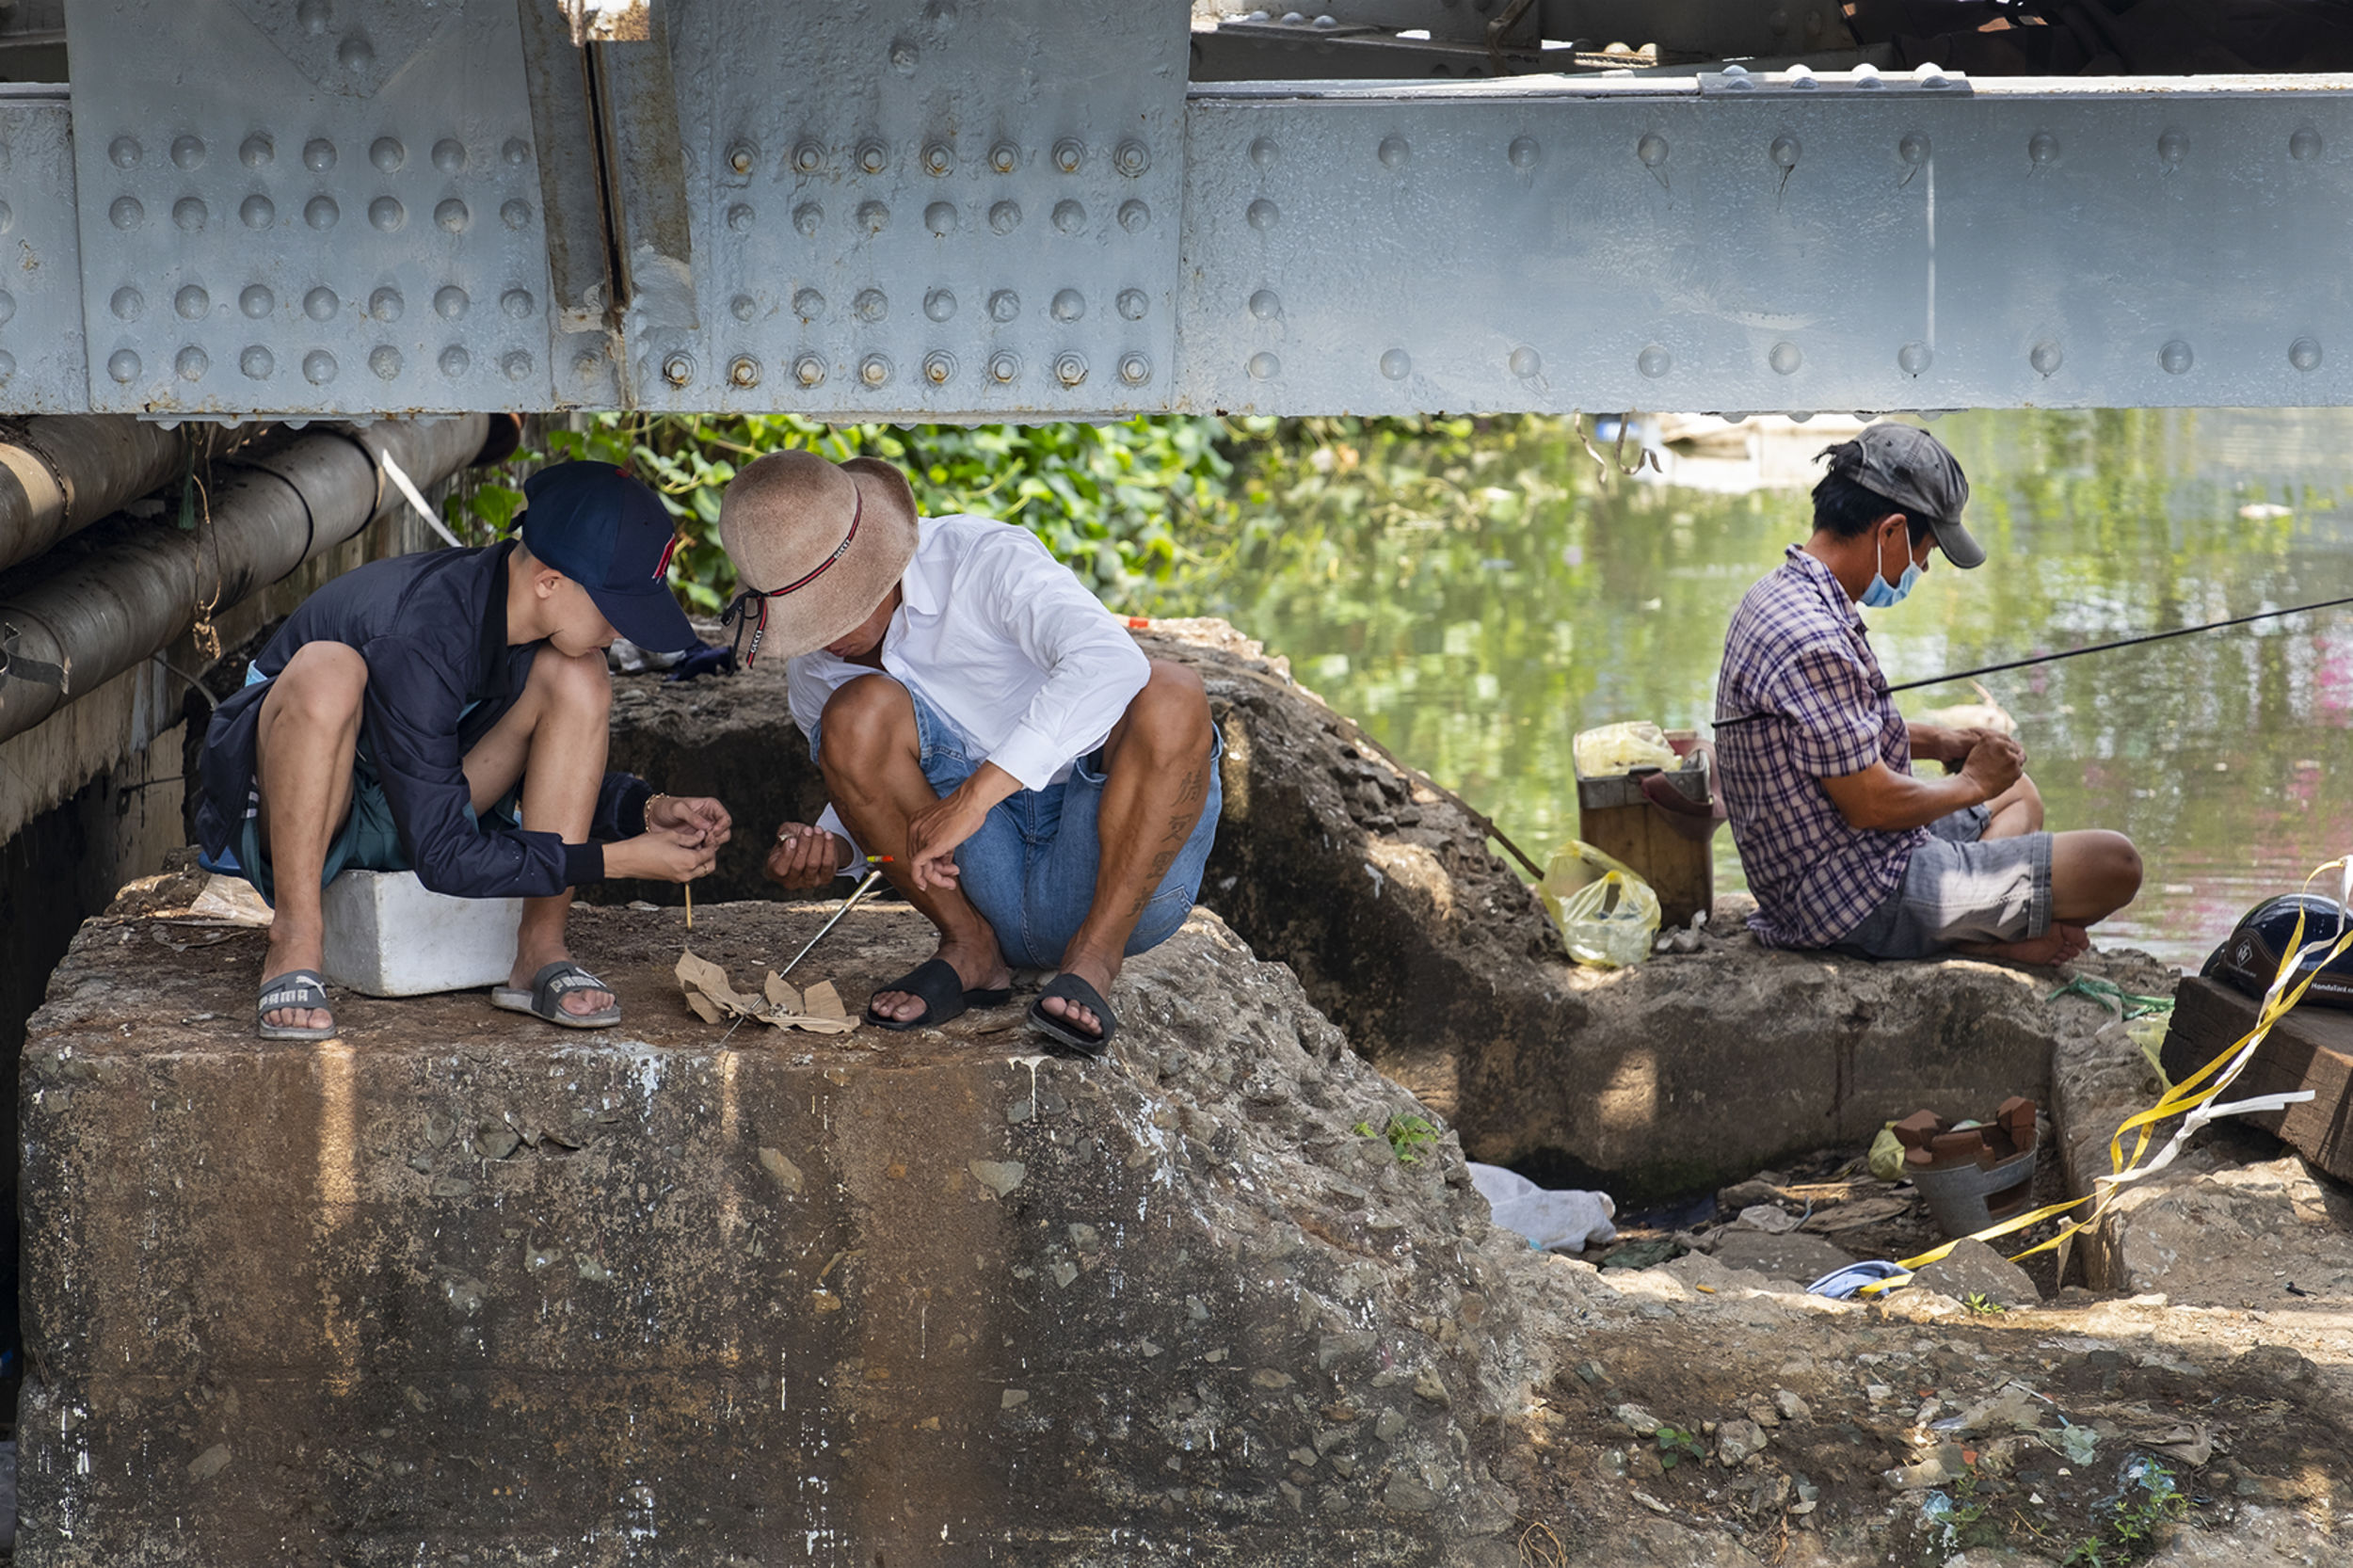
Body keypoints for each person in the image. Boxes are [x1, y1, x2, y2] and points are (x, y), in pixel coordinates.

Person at [196, 462, 732, 1039]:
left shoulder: (522, 620)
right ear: (548, 583)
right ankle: (295, 939)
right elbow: (444, 855)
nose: (622, 631)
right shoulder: (425, 627)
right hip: (313, 814)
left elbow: (457, 776)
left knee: (579, 674)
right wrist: (623, 857)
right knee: (329, 670)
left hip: (418, 801)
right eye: (615, 610)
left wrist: (644, 810)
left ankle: (539, 951)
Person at [716, 449, 1220, 1054]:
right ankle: (970, 949)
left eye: (831, 614)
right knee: (850, 719)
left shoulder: (985, 559)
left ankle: (1094, 961)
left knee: (1170, 691)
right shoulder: (818, 670)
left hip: (1109, 873)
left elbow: (1111, 661)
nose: (821, 640)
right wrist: (836, 848)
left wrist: (977, 796)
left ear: (879, 562)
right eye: (803, 624)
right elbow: (875, 794)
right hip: (979, 887)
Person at [1712, 424, 2142, 965]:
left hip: (1842, 860)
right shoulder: (1813, 638)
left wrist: (1941, 741)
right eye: (1926, 548)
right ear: (1891, 532)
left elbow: (1825, 734)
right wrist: (1972, 781)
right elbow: (1872, 804)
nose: (1923, 568)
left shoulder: (1783, 593)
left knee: (2019, 795)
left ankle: (1970, 922)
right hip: (1848, 898)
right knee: (2115, 863)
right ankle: (1957, 930)